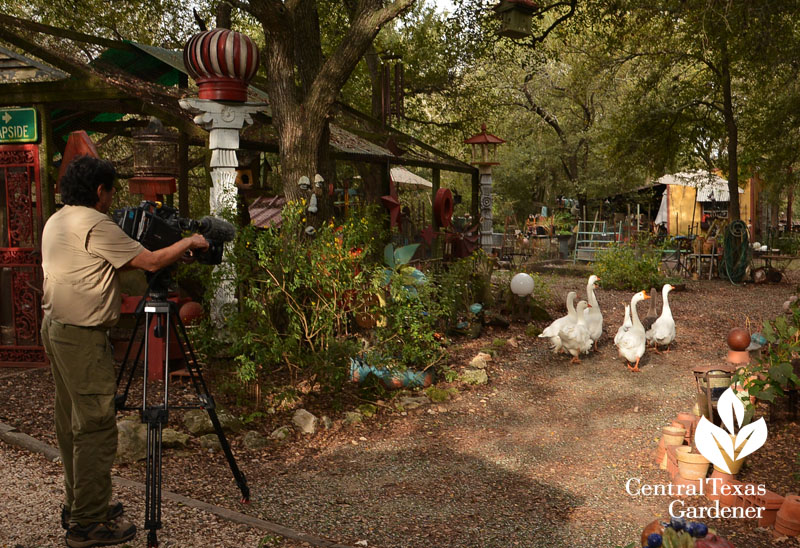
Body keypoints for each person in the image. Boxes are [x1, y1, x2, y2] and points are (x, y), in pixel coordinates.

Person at [40, 156, 209, 547]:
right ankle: (88, 523)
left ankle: (80, 502)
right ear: (100, 191)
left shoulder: (59, 219)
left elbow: (96, 266)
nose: (111, 199)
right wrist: (187, 242)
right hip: (81, 338)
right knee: (96, 427)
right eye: (111, 191)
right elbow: (148, 261)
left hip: (57, 329)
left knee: (70, 423)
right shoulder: (95, 223)